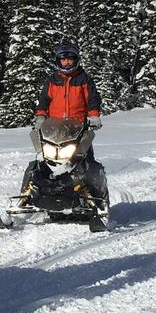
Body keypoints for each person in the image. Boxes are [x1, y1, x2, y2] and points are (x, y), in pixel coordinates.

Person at [31, 41, 108, 211]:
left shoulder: (84, 79)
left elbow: (93, 100)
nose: (66, 62)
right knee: (39, 163)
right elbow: (44, 101)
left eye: (70, 59)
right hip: (54, 129)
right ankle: (27, 195)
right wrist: (40, 118)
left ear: (76, 60)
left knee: (88, 162)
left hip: (78, 129)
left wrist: (94, 117)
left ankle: (99, 200)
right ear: (58, 61)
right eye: (63, 59)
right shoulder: (52, 80)